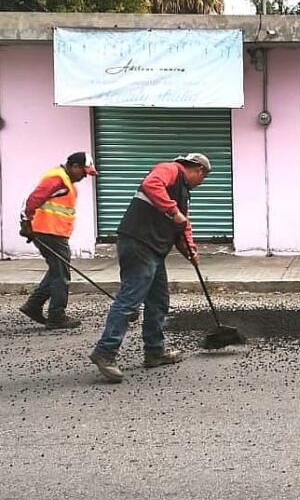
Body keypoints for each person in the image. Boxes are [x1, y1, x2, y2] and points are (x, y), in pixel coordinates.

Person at [89, 153, 211, 383]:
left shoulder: (184, 192)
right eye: (202, 178)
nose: (200, 183)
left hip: (154, 249)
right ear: (197, 170)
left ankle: (154, 351)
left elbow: (183, 225)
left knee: (158, 301)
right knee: (129, 300)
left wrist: (190, 250)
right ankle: (105, 352)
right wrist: (173, 212)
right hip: (138, 243)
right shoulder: (170, 169)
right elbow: (151, 184)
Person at [18, 152, 98, 329]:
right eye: (84, 172)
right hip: (48, 232)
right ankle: (56, 316)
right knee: (61, 274)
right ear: (74, 166)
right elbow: (32, 200)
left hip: (52, 232)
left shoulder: (63, 180)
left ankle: (33, 305)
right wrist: (25, 223)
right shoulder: (58, 180)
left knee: (57, 270)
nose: (85, 176)